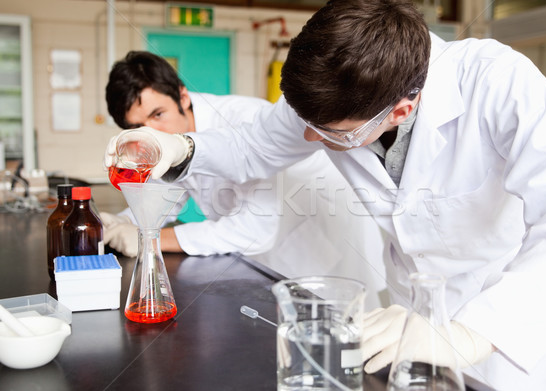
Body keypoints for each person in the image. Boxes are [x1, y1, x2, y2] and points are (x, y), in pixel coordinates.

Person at [103, 2, 546, 390]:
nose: (314, 141)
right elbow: (254, 146)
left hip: (497, 321)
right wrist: (179, 146)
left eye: (333, 134)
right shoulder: (334, 91)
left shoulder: (494, 83)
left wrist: (473, 331)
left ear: (400, 111)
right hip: (405, 314)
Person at [102, 51, 387, 308]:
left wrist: (149, 239)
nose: (152, 132)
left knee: (347, 344)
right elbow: (168, 193)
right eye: (137, 127)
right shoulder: (176, 138)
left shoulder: (243, 120)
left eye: (158, 114)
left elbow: (254, 230)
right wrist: (124, 222)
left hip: (325, 249)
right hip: (269, 263)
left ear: (183, 96)